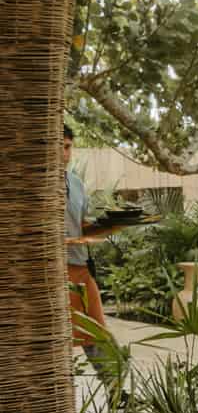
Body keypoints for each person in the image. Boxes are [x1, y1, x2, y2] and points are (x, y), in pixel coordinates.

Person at [63, 124, 107, 345]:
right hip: (56, 271)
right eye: (59, 147)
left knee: (99, 336)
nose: (64, 154)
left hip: (81, 265)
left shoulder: (76, 183)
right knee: (64, 339)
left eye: (68, 147)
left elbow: (83, 223)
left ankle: (113, 379)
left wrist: (106, 225)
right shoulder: (34, 184)